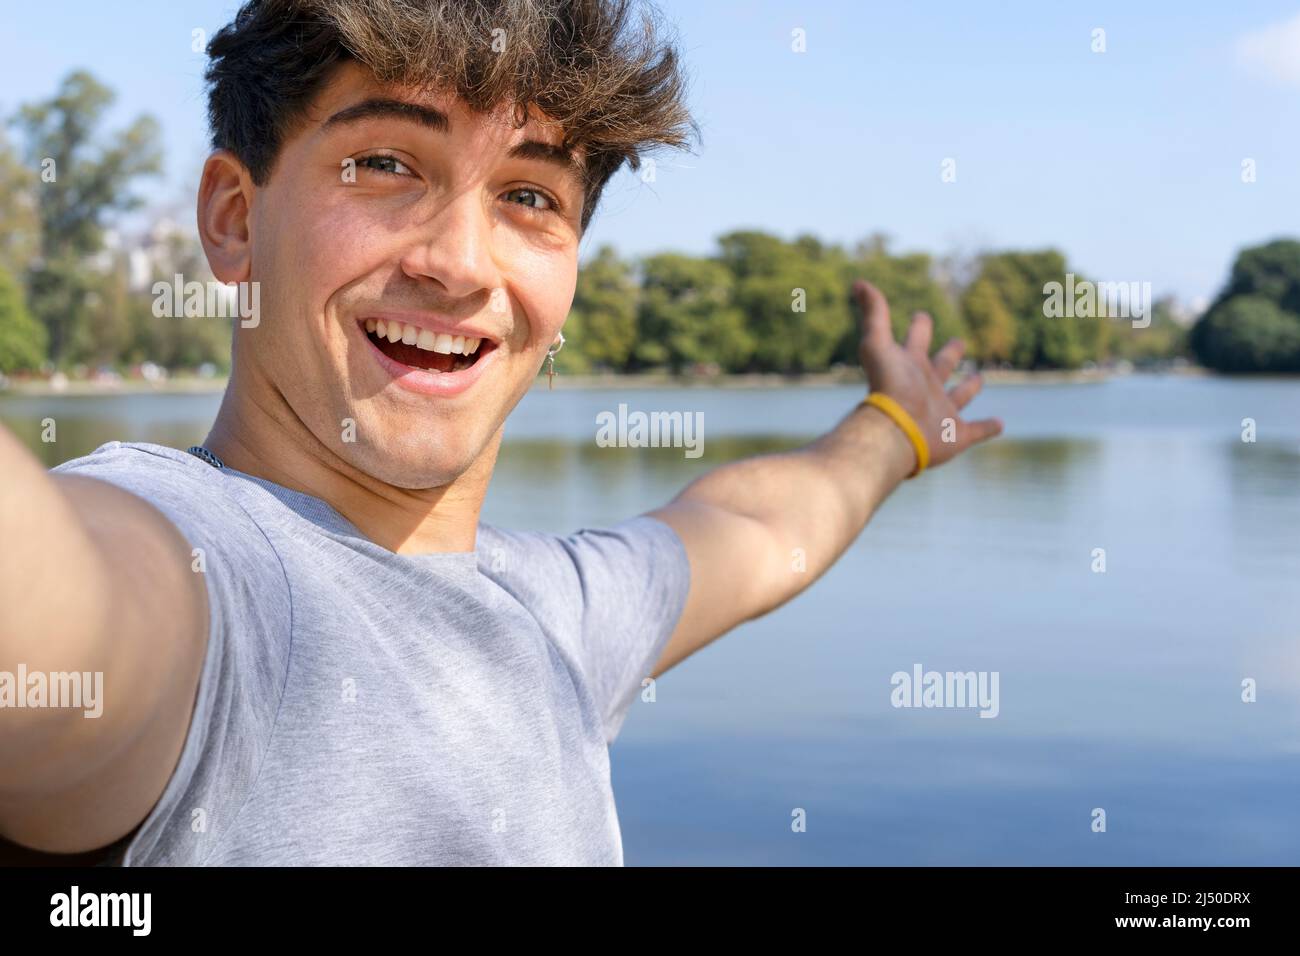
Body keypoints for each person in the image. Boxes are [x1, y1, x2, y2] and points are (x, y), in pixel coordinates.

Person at [0, 0, 1002, 865]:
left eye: (529, 195)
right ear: (230, 219)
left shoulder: (559, 617)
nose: (463, 264)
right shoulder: (193, 580)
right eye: (386, 163)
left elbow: (753, 526)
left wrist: (893, 428)